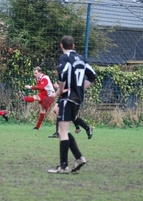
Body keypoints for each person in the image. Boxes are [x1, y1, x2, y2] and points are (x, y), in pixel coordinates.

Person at [48, 35, 96, 174]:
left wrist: (60, 91)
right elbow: (92, 75)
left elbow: (62, 75)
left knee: (62, 131)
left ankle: (64, 167)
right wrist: (80, 89)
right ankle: (79, 158)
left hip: (67, 97)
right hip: (77, 98)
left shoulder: (64, 58)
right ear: (74, 46)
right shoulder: (81, 58)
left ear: (61, 46)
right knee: (65, 130)